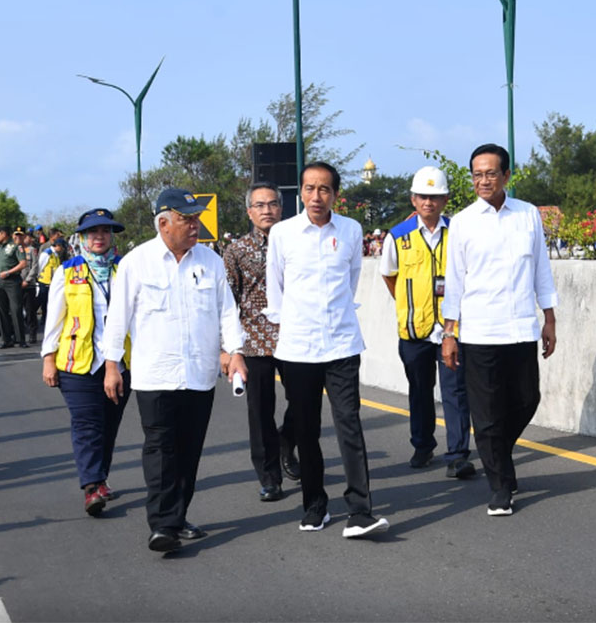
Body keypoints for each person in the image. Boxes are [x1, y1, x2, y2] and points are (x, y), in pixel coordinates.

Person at [102, 188, 247, 553]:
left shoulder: (210, 261)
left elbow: (226, 311)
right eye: (186, 219)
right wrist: (111, 366)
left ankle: (178, 516)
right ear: (163, 223)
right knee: (161, 447)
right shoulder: (137, 262)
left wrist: (235, 351)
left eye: (196, 218)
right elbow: (117, 318)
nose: (195, 225)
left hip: (199, 374)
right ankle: (163, 524)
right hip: (155, 375)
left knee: (189, 450)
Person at [266, 161, 389, 538]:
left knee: (349, 425)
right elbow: (276, 290)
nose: (315, 197)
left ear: (336, 194)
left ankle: (360, 511)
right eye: (308, 189)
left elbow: (350, 281)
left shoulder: (351, 230)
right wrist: (294, 328)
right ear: (299, 193)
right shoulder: (283, 234)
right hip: (299, 349)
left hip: (341, 344)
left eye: (323, 189)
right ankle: (315, 505)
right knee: (306, 430)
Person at [441, 143, 558, 517]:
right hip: (479, 331)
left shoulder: (527, 216)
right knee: (487, 412)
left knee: (527, 399)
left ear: (506, 175)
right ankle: (501, 486)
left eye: (491, 173)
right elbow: (455, 281)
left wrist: (550, 318)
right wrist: (449, 332)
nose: (483, 180)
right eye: (477, 174)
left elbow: (541, 268)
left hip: (521, 326)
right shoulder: (462, 222)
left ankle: (498, 457)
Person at [379, 166, 475, 479]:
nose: (429, 202)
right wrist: (410, 305)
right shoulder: (397, 237)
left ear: (445, 199)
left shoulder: (459, 232)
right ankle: (422, 445)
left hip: (451, 329)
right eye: (423, 196)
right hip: (414, 329)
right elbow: (389, 276)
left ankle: (458, 454)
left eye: (435, 197)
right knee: (419, 390)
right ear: (413, 199)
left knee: (456, 392)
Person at [41, 209, 131, 517]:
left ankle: (100, 477)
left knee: (108, 426)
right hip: (77, 364)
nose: (99, 237)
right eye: (92, 232)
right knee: (87, 424)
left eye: (105, 231)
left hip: (119, 364)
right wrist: (48, 359)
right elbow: (54, 320)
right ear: (82, 238)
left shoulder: (125, 269)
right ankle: (91, 487)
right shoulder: (66, 272)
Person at [222, 181, 300, 503]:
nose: (266, 210)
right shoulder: (236, 251)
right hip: (254, 341)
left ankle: (287, 442)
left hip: (296, 336)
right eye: (260, 205)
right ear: (249, 212)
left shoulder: (298, 243)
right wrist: (229, 349)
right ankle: (269, 477)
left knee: (304, 404)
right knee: (260, 411)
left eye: (272, 204)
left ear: (281, 208)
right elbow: (227, 301)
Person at [0, 226, 28, 348]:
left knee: (16, 310)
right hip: (0, 282)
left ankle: (20, 339)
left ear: (4, 234)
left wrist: (9, 272)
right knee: (1, 311)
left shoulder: (15, 246)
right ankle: (6, 339)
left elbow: (23, 263)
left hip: (12, 281)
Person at [36, 237, 68, 321]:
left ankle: (44, 317)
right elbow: (40, 265)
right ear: (58, 245)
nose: (62, 249)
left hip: (51, 282)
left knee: (47, 300)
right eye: (62, 247)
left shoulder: (55, 254)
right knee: (41, 300)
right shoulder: (47, 254)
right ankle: (33, 315)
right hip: (44, 281)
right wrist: (38, 276)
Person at [19, 227, 41, 343]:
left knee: (30, 311)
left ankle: (32, 333)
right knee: (16, 311)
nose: (23, 239)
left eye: (24, 236)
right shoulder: (15, 250)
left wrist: (27, 280)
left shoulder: (32, 250)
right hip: (16, 285)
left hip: (29, 285)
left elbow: (35, 266)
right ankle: (18, 335)